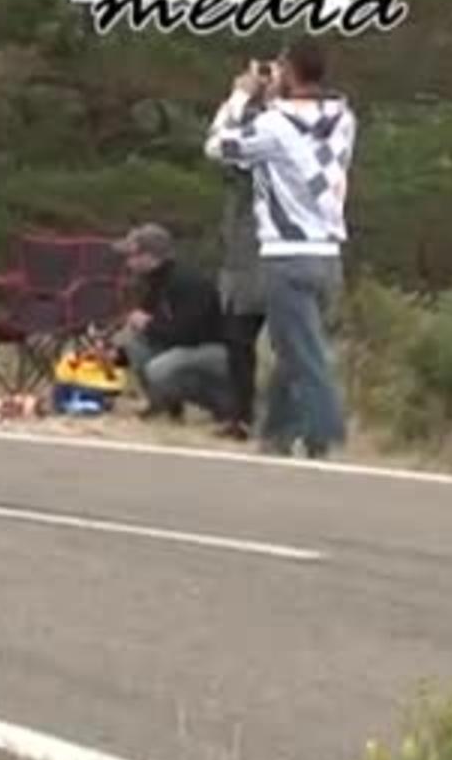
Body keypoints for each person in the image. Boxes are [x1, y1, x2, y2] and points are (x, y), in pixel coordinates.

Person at [203, 37, 356, 459]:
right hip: (328, 254)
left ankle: (327, 431)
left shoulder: (273, 126)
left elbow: (218, 145)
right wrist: (273, 98)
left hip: (286, 254)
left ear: (289, 72)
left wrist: (242, 94)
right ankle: (276, 436)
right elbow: (302, 139)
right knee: (294, 348)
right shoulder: (343, 118)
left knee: (304, 354)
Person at [111, 223, 230, 422]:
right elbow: (151, 327)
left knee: (159, 369)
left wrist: (148, 324)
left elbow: (188, 334)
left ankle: (225, 404)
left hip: (214, 350)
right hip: (184, 344)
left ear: (149, 257)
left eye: (131, 256)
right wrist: (116, 354)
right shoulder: (154, 281)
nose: (127, 262)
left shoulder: (187, 282)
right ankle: (162, 405)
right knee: (133, 342)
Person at [214, 136, 266, 443]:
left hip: (263, 274)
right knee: (238, 350)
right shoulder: (234, 198)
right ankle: (240, 417)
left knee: (286, 350)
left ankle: (285, 419)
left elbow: (223, 145)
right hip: (238, 276)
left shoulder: (259, 186)